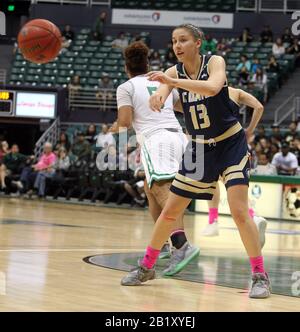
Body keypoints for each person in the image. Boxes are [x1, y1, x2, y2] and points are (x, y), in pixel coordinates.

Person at [121, 24, 271, 299]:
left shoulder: (215, 62)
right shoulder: (170, 73)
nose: (177, 46)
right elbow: (164, 95)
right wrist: (158, 96)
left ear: (198, 43)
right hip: (199, 148)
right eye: (174, 41)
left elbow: (213, 88)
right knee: (169, 213)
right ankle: (146, 266)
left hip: (230, 144)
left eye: (183, 40)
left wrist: (173, 85)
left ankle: (260, 276)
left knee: (238, 212)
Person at [114, 41, 199, 273]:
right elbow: (183, 108)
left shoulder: (126, 87)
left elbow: (123, 122)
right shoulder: (161, 82)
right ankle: (161, 243)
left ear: (126, 67)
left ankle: (181, 245)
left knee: (162, 191)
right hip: (178, 137)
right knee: (151, 191)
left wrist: (114, 128)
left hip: (157, 140)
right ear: (147, 63)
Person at [201, 87, 267, 240]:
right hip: (236, 143)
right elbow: (259, 107)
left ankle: (213, 221)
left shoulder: (203, 90)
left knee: (211, 182)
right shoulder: (236, 92)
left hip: (212, 142)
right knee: (235, 186)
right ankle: (253, 217)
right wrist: (250, 130)